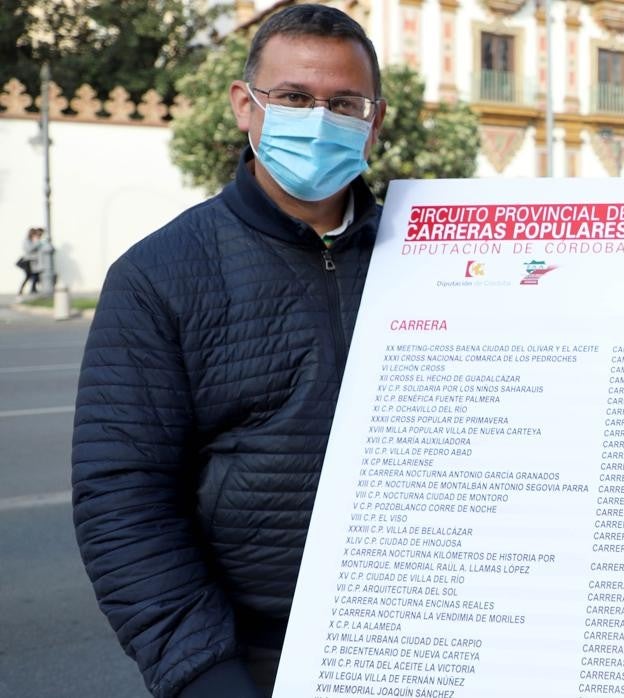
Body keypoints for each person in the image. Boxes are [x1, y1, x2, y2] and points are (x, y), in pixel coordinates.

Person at [72, 5, 387, 697]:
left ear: (375, 120)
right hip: (258, 655)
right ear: (245, 105)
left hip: (435, 634)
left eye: (344, 103)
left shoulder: (431, 258)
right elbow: (123, 500)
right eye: (294, 98)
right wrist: (205, 675)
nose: (320, 119)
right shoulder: (159, 275)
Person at [17, 227, 43, 295]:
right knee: (29, 276)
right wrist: (37, 243)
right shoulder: (27, 241)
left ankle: (33, 289)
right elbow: (29, 249)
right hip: (28, 261)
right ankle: (22, 290)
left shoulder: (32, 241)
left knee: (35, 275)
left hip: (33, 261)